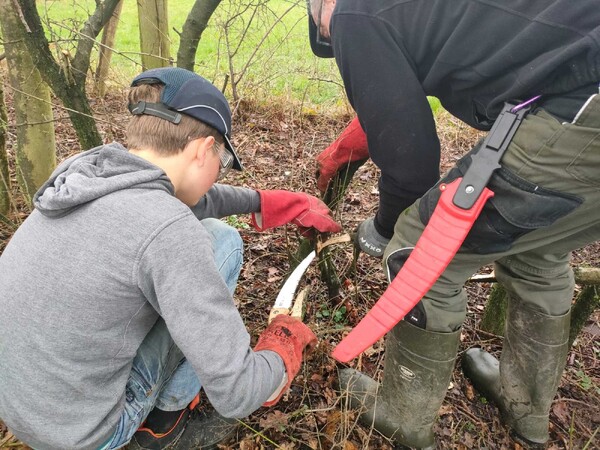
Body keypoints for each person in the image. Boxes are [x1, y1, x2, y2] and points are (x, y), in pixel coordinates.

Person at [306, 0, 600, 448]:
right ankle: (527, 409)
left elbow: (411, 165)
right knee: (536, 249)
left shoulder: (351, 12)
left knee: (421, 249)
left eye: (324, 34)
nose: (333, 39)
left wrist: (385, 227)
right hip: (579, 86)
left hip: (581, 106)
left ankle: (403, 416)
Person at [0, 67, 342, 450]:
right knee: (223, 244)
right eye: (223, 161)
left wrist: (268, 202)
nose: (218, 174)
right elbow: (239, 393)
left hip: (23, 406)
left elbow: (184, 198)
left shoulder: (88, 175)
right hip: (87, 434)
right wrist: (283, 345)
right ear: (202, 149)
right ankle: (165, 421)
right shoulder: (170, 231)